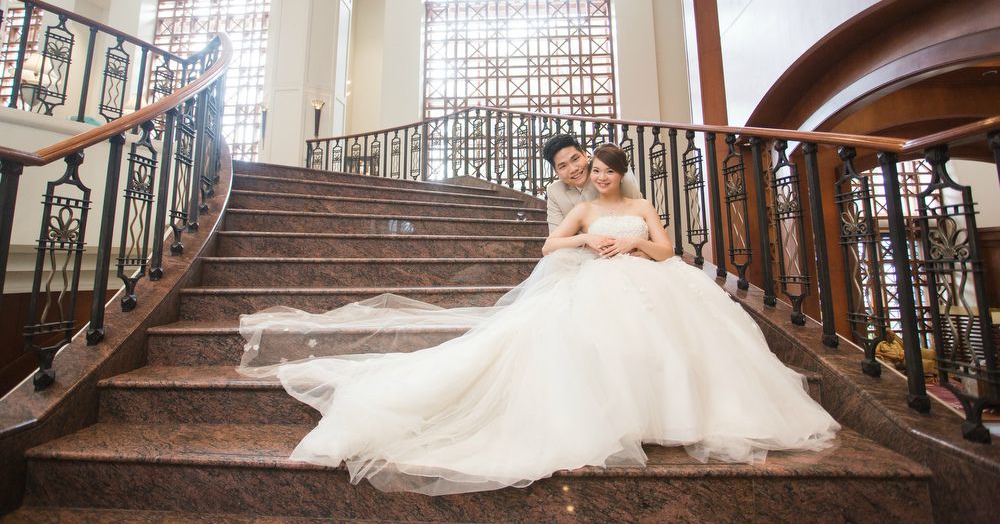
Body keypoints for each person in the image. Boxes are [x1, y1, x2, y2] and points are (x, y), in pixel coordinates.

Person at [239, 144, 840, 496]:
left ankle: (673, 414)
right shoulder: (568, 203)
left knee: (678, 337)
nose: (591, 175)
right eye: (583, 169)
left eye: (599, 167)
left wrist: (629, 246)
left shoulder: (638, 203)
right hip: (586, 276)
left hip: (648, 276)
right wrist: (588, 245)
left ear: (613, 169)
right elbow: (551, 245)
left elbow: (666, 248)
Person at [543, 133, 641, 233]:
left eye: (575, 159)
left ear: (585, 155)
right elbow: (555, 237)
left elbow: (638, 213)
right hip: (579, 247)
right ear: (556, 172)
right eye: (563, 166)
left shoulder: (610, 178)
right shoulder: (555, 191)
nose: (573, 169)